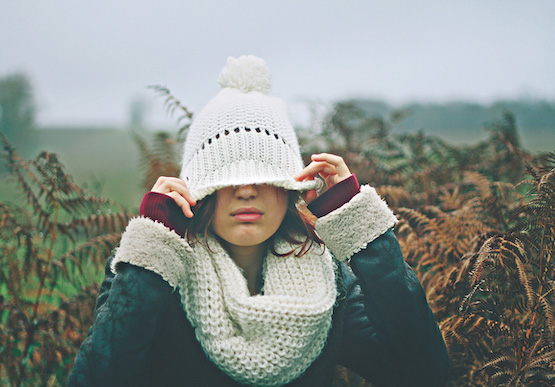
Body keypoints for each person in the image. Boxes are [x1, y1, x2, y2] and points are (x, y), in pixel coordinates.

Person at [69, 55, 449, 387]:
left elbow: (422, 373)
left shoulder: (328, 285)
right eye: (226, 178)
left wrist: (361, 227)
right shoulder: (154, 275)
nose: (246, 191)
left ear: (289, 190)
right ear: (200, 192)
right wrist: (152, 249)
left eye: (265, 177)